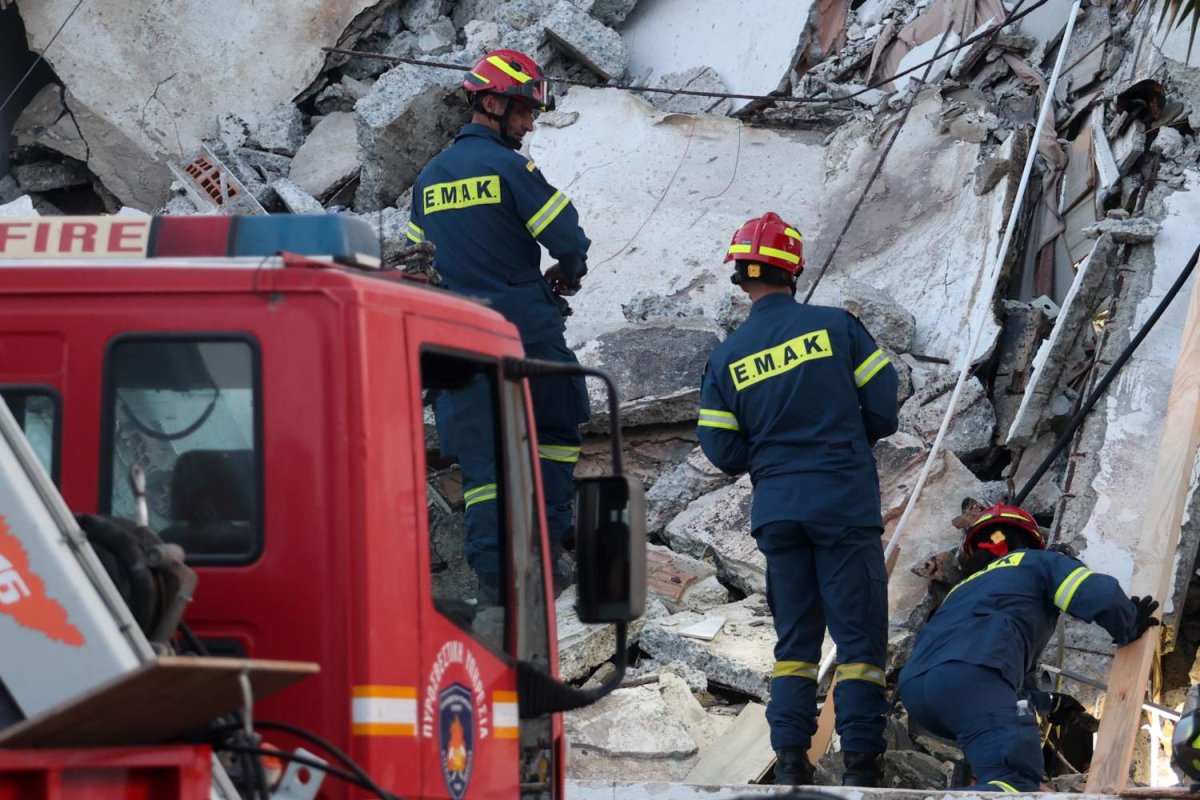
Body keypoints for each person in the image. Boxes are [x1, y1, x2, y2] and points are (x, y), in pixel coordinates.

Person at [696, 212, 899, 786]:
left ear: (741, 275)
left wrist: (770, 455)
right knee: (859, 642)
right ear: (795, 269)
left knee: (795, 643)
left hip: (779, 514)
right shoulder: (838, 327)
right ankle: (863, 765)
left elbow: (721, 449)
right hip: (842, 504)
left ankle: (789, 762)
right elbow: (884, 409)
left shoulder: (726, 357)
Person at [408, 49, 591, 603]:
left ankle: (495, 587)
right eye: (524, 111)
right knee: (556, 432)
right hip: (524, 332)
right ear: (491, 103)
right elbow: (568, 239)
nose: (530, 123)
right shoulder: (510, 167)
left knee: (483, 464)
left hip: (454, 342)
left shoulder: (426, 181)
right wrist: (569, 273)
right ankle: (552, 545)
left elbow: (420, 269)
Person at [899, 503, 1161, 792]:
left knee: (994, 766)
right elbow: (1097, 593)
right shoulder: (1038, 561)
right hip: (974, 674)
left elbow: (1006, 688)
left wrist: (1050, 703)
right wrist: (1129, 625)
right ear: (1030, 541)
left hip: (918, 690)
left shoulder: (961, 590)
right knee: (1014, 779)